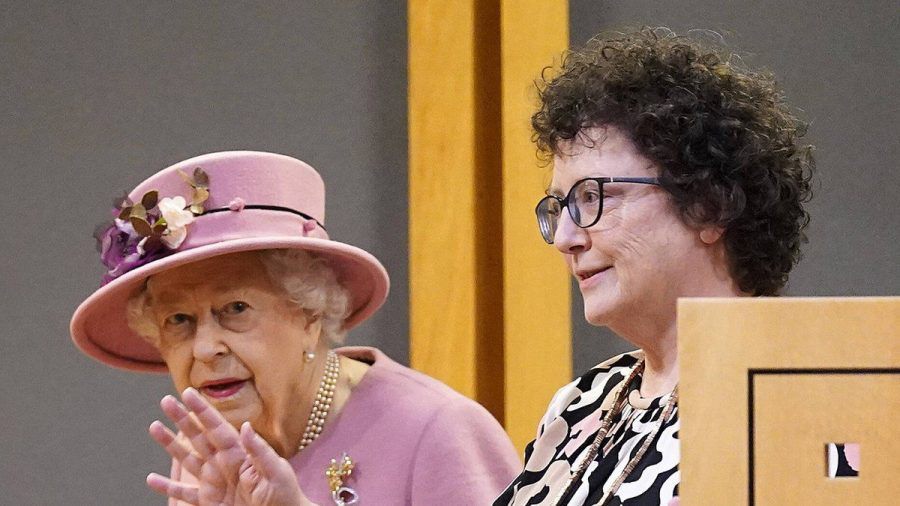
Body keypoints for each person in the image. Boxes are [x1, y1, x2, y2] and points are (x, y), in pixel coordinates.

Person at [70, 151, 521, 505]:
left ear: (310, 312)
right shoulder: (208, 447)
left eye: (235, 308)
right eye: (179, 320)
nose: (205, 348)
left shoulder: (438, 433)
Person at [495, 28, 813, 505]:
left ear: (709, 205)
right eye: (559, 206)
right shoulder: (581, 404)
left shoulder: (800, 396)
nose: (565, 238)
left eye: (592, 197)